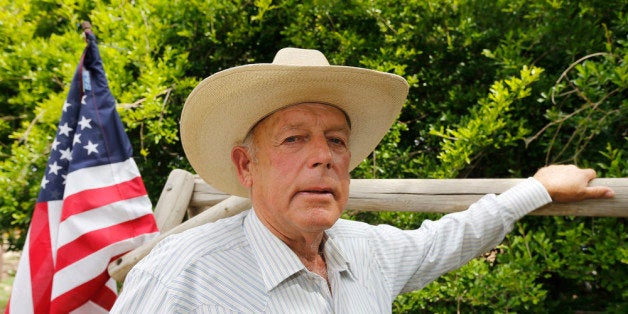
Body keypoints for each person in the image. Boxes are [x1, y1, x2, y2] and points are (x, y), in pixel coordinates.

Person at [111, 48, 614, 313]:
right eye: (293, 140)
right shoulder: (183, 276)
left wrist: (540, 188)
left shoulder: (366, 251)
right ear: (246, 166)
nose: (323, 158)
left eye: (335, 140)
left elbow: (448, 238)